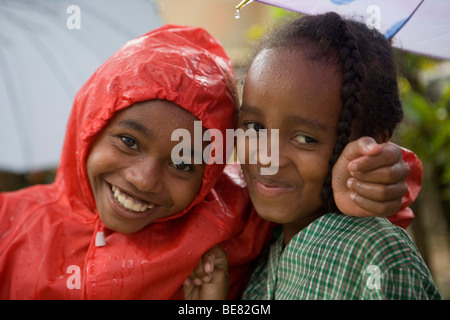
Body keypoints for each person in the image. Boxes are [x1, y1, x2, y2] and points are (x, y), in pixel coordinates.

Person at [0, 24, 418, 300]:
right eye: (128, 141)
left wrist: (380, 176)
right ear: (91, 122)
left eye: (184, 163)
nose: (143, 179)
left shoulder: (234, 221)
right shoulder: (9, 224)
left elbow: (382, 187)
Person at [184, 13, 441, 300]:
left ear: (372, 143)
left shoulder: (372, 251)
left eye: (305, 138)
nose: (267, 157)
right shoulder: (265, 247)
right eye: (255, 127)